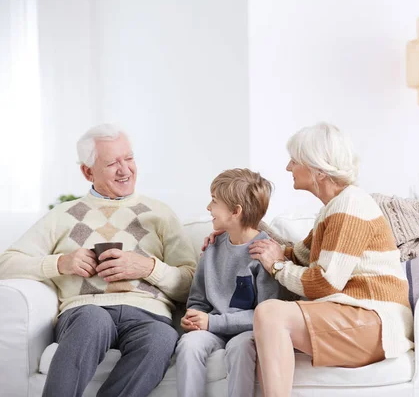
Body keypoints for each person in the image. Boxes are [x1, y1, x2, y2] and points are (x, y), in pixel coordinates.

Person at [0, 124, 197, 397]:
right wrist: (60, 263)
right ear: (87, 171)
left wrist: (149, 268)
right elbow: (6, 264)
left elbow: (191, 284)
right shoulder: (64, 214)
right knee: (93, 320)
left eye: (129, 158)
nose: (125, 169)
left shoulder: (160, 214)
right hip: (85, 310)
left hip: (148, 315)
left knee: (161, 338)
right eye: (112, 163)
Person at [248, 122, 414, 396]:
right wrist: (242, 229)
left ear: (317, 169)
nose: (288, 168)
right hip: (357, 315)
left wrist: (277, 267)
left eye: (294, 161)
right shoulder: (334, 207)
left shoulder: (350, 205)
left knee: (270, 314)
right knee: (265, 325)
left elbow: (324, 282)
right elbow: (298, 255)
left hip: (375, 320)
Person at [176, 168, 292, 397]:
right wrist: (194, 316)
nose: (209, 208)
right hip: (213, 326)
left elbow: (264, 314)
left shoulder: (264, 254)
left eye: (214, 201)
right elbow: (198, 298)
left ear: (235, 212)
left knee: (241, 347)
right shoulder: (212, 247)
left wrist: (212, 322)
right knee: (188, 345)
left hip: (247, 329)